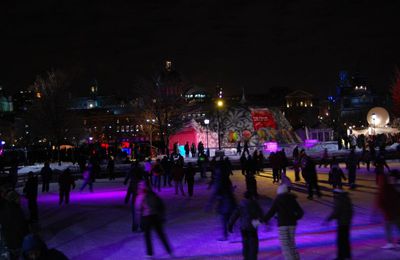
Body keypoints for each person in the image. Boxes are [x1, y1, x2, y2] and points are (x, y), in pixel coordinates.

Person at [263, 184, 303, 260]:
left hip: (282, 225)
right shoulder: (292, 199)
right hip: (292, 224)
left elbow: (271, 212)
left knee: (285, 246)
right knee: (291, 244)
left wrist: (263, 220)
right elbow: (300, 212)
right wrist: (294, 218)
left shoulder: (278, 199)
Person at [135, 181, 173, 257]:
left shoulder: (143, 196)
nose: (142, 187)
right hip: (151, 217)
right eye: (140, 185)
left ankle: (153, 253)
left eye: (142, 185)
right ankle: (153, 253)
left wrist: (138, 222)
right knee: (152, 235)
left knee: (154, 235)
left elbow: (138, 210)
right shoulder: (151, 194)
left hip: (151, 217)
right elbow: (138, 210)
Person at [228, 191, 263, 260]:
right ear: (251, 196)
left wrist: (230, 225)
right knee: (253, 244)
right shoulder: (255, 204)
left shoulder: (241, 204)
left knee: (245, 243)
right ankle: (253, 258)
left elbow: (235, 215)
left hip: (243, 227)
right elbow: (261, 214)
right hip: (252, 227)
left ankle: (246, 257)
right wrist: (263, 221)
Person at [324, 189, 353, 260]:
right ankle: (347, 255)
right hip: (347, 222)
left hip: (342, 223)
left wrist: (328, 219)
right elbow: (351, 211)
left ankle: (341, 256)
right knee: (345, 239)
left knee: (341, 240)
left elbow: (336, 211)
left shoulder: (339, 199)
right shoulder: (346, 198)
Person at [376, 170, 400, 249]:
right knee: (389, 226)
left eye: (393, 178)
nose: (391, 179)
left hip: (395, 211)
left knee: (393, 226)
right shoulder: (388, 186)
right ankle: (390, 242)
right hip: (391, 212)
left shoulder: (395, 186)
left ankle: (391, 242)